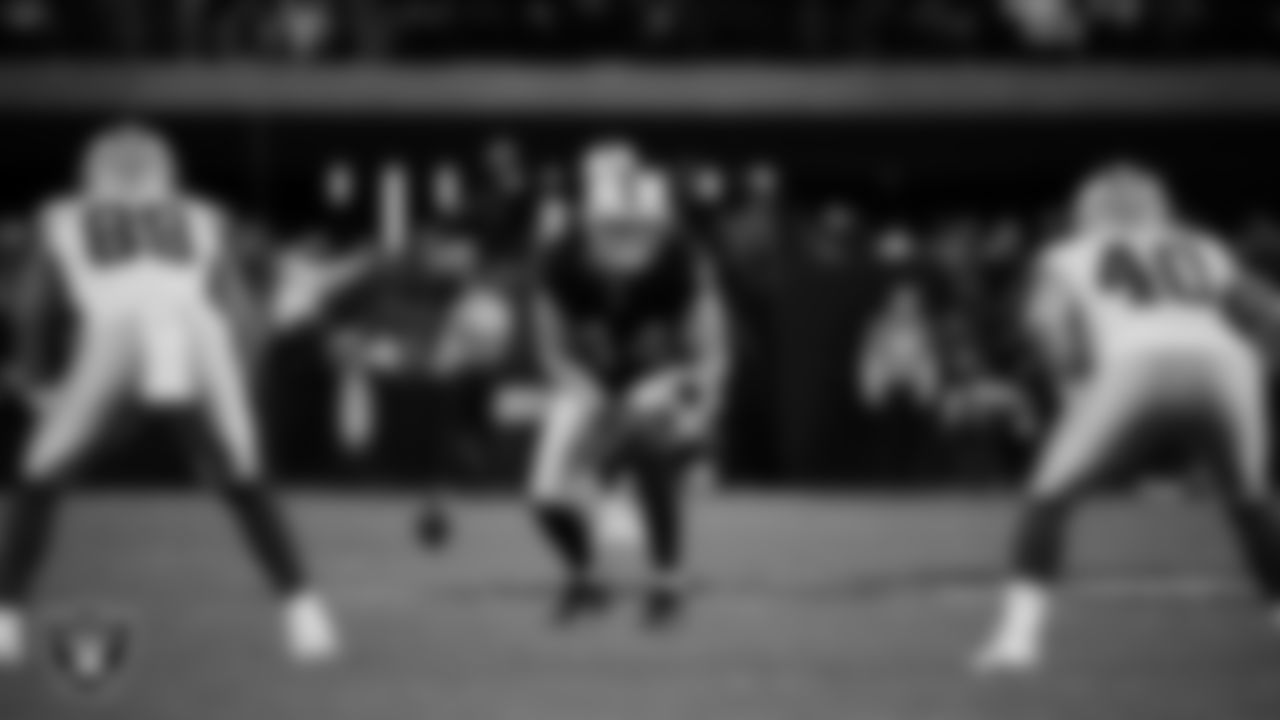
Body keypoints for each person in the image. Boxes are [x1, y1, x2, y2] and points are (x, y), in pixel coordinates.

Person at [0, 123, 341, 667]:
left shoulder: (61, 219)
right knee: (242, 478)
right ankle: (305, 613)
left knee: (40, 475)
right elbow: (242, 312)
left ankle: (6, 619)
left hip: (113, 328)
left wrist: (34, 375)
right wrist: (241, 380)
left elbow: (31, 306)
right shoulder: (203, 218)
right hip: (194, 329)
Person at [974, 163, 1280, 673]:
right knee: (1250, 501)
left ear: (1089, 208)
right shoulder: (1202, 246)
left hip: (1135, 362)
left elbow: (1047, 325)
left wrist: (1072, 384)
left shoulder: (1067, 254)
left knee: (1049, 497)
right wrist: (1262, 367)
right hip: (1228, 364)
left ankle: (1017, 640)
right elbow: (1269, 311)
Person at [528, 148, 729, 627]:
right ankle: (586, 577)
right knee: (545, 495)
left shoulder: (679, 260)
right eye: (615, 230)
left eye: (638, 231)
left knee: (647, 433)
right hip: (590, 380)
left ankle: (666, 578)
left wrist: (702, 415)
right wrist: (587, 398)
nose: (628, 244)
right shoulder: (562, 260)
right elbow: (550, 350)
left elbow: (712, 352)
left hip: (660, 377)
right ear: (591, 227)